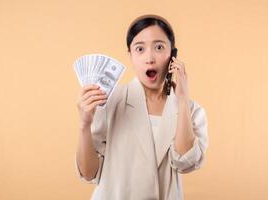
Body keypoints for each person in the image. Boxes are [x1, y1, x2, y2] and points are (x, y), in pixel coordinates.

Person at [75, 14, 208, 200]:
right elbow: (89, 173)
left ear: (173, 55)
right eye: (140, 49)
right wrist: (84, 126)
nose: (150, 58)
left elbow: (184, 163)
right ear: (130, 55)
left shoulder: (192, 111)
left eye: (159, 47)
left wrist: (183, 100)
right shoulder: (109, 101)